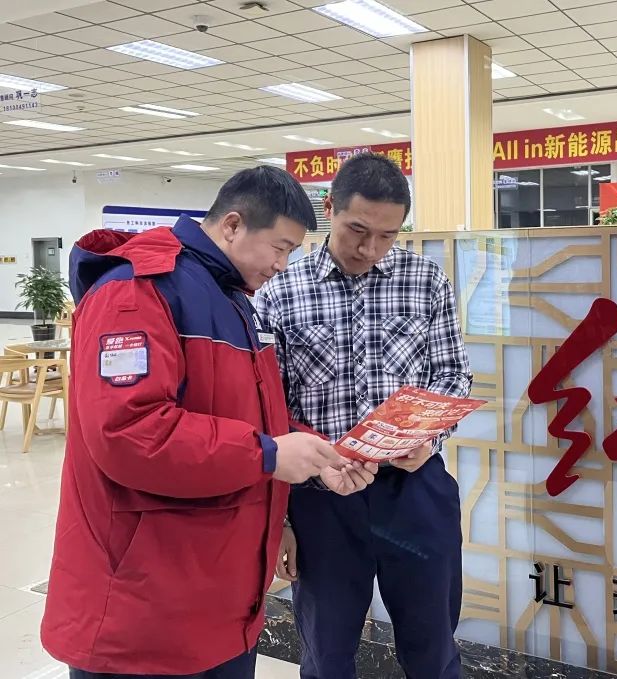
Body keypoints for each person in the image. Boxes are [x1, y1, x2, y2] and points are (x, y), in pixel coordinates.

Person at [42, 166, 378, 679]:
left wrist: (314, 454)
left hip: (214, 600)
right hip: (143, 611)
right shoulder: (135, 293)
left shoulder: (230, 299)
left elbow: (248, 414)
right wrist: (269, 455)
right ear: (233, 225)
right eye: (280, 248)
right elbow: (129, 433)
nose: (283, 266)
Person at [256, 153, 473, 679]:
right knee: (326, 652)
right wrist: (281, 518)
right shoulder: (280, 289)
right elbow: (265, 409)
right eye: (357, 230)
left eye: (387, 236)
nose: (369, 249)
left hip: (414, 488)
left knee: (433, 646)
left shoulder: (426, 280)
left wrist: (430, 436)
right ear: (329, 208)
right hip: (321, 497)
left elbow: (452, 374)